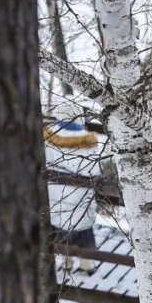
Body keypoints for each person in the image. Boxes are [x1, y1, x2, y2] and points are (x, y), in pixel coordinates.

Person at [44, 104, 102, 272]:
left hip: (55, 190)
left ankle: (66, 262)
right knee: (81, 225)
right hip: (80, 193)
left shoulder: (48, 135)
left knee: (60, 223)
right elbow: (94, 170)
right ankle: (86, 265)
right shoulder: (87, 138)